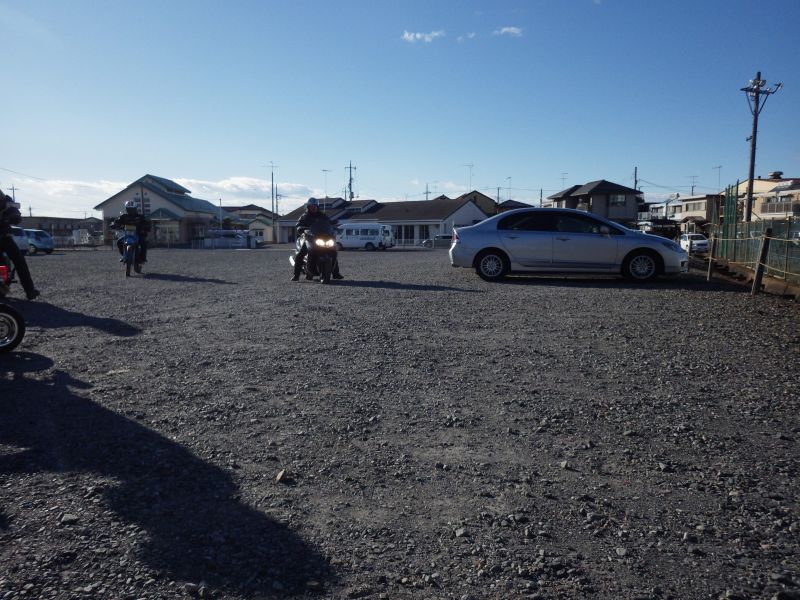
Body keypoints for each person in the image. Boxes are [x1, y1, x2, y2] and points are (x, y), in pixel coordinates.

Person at [291, 198, 344, 281]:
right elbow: (298, 224)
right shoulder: (305, 216)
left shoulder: (323, 216)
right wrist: (300, 228)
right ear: (308, 207)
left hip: (323, 237)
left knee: (332, 251)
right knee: (300, 254)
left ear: (317, 207)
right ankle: (296, 275)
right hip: (309, 238)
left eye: (315, 206)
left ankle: (336, 273)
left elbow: (329, 223)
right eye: (311, 206)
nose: (313, 208)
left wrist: (334, 227)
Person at [0, 190, 39, 300]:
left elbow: (14, 212)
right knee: (18, 261)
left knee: (19, 260)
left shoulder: (5, 199)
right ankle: (29, 290)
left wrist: (13, 213)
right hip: (4, 235)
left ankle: (30, 290)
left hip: (4, 235)